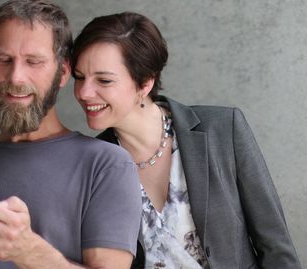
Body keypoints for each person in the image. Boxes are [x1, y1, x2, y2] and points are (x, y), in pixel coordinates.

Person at [0, 1, 142, 268]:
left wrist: (28, 251)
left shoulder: (106, 165)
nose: (16, 77)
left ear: (63, 72)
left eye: (34, 62)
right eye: (4, 60)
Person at [71, 11, 302, 269]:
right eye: (79, 77)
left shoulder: (223, 130)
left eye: (103, 80)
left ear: (145, 83)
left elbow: (275, 245)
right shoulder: (91, 165)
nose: (84, 92)